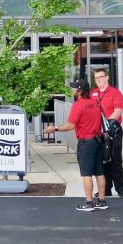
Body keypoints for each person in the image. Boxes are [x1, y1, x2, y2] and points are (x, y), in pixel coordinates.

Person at [44, 78, 108, 212]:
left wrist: (54, 128)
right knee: (99, 172)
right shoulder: (95, 103)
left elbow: (70, 126)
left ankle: (89, 202)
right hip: (97, 141)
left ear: (80, 91)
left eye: (74, 88)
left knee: (86, 174)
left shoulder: (78, 105)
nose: (72, 90)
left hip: (86, 142)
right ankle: (102, 201)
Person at [91, 68, 123, 199]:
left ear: (107, 77)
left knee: (115, 160)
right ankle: (105, 189)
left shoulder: (114, 93)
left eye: (101, 77)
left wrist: (109, 124)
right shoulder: (93, 93)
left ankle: (121, 189)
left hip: (113, 131)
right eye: (96, 78)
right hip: (98, 132)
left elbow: (118, 110)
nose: (98, 80)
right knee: (102, 162)